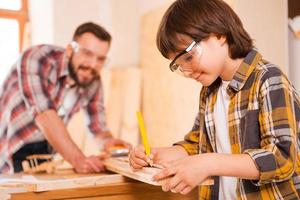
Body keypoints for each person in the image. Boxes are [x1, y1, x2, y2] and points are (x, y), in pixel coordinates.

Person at [129, 0, 300, 199]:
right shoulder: (209, 91)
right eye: (178, 65)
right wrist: (155, 155)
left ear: (219, 35)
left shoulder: (269, 80)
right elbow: (197, 146)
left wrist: (207, 163)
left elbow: (283, 157)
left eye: (187, 56)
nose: (186, 71)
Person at [0, 22, 131, 174]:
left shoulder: (92, 80)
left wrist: (108, 142)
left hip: (45, 148)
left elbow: (98, 128)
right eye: (87, 54)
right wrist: (78, 159)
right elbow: (44, 114)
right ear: (70, 50)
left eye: (100, 59)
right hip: (9, 144)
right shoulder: (37, 58)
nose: (93, 65)